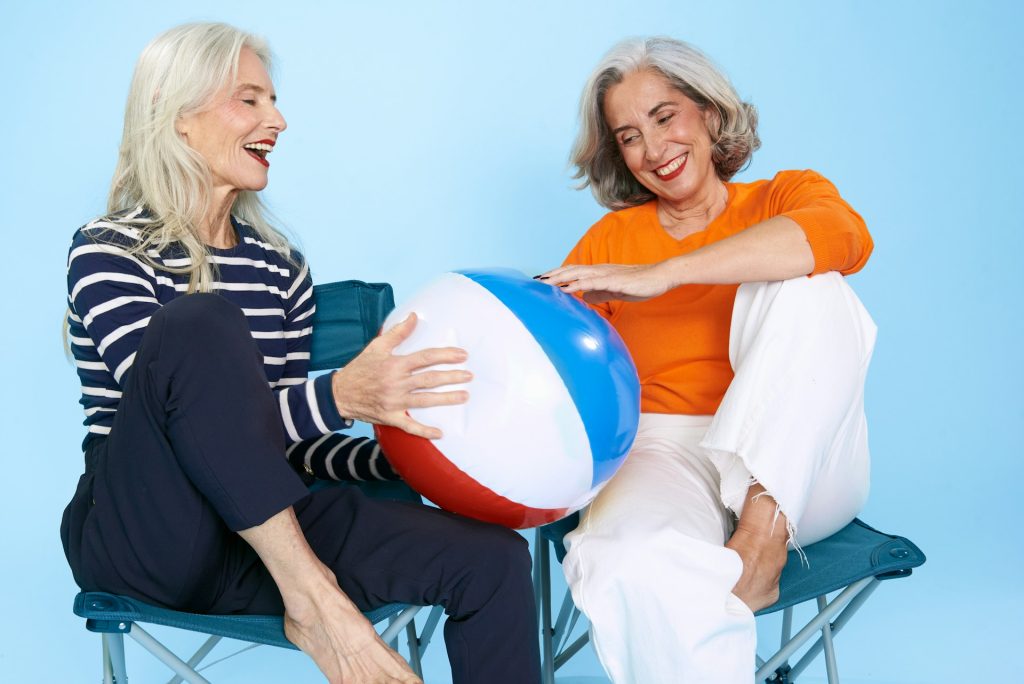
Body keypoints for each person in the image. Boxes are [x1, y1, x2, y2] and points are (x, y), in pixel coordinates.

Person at [61, 22, 540, 684]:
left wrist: (425, 457)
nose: (278, 120)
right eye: (249, 99)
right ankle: (314, 601)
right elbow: (182, 420)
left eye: (274, 100)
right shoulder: (107, 250)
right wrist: (339, 394)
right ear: (176, 117)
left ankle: (310, 593)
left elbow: (278, 448)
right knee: (202, 322)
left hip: (263, 536)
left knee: (493, 559)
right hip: (146, 534)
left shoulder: (280, 265)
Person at [539, 37, 876, 683]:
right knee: (623, 557)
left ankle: (760, 539)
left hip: (803, 455)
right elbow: (562, 367)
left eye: (665, 117)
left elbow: (845, 238)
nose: (654, 149)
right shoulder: (609, 242)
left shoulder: (784, 196)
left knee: (813, 282)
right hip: (666, 451)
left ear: (710, 114)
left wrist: (664, 275)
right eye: (630, 135)